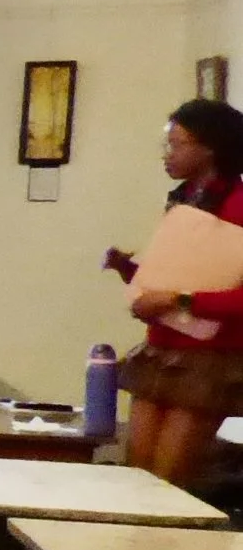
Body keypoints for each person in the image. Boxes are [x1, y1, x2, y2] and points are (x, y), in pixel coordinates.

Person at [103, 98, 243, 482]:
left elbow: (222, 293)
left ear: (210, 148)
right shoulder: (184, 199)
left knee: (168, 482)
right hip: (161, 347)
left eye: (177, 144)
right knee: (138, 476)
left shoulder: (237, 206)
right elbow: (180, 273)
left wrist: (177, 299)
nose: (168, 154)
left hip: (207, 358)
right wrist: (129, 270)